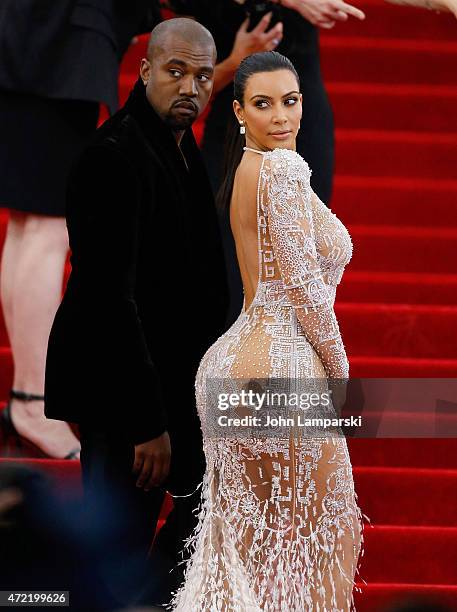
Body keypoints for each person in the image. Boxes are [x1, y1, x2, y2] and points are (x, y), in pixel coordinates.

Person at [169, 51, 364, 611]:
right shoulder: (282, 170)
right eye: (263, 104)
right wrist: (340, 378)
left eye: (291, 101)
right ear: (237, 111)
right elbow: (304, 289)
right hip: (282, 362)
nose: (281, 116)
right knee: (332, 540)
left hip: (231, 363)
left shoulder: (249, 169)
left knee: (235, 555)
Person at [44, 17, 228, 607]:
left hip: (175, 387)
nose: (191, 89)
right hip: (125, 395)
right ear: (145, 69)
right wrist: (147, 423)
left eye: (202, 76)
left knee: (196, 523)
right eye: (176, 72)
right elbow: (107, 299)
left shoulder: (180, 144)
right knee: (112, 550)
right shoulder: (114, 156)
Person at [0, 0, 163, 459]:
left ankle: (27, 398)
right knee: (47, 228)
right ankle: (31, 401)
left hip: (32, 43)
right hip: (54, 47)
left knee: (30, 225)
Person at [167, 0, 365, 325]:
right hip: (233, 130)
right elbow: (179, 99)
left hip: (303, 125)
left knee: (301, 252)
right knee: (225, 262)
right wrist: (233, 61)